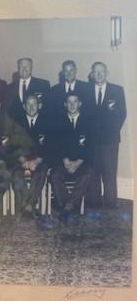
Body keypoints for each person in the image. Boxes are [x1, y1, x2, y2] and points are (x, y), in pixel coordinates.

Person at [83, 62, 127, 209]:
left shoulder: (117, 90)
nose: (99, 74)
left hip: (110, 140)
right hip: (92, 141)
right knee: (93, 172)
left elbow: (121, 114)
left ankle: (110, 203)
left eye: (101, 71)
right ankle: (94, 202)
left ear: (106, 72)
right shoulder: (86, 90)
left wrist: (110, 132)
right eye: (96, 72)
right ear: (92, 74)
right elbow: (84, 115)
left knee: (109, 172)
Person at [50, 92, 93, 223]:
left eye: (75, 102)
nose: (72, 105)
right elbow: (55, 145)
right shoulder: (58, 122)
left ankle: (68, 207)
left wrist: (77, 163)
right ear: (65, 104)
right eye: (69, 102)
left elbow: (90, 147)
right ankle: (65, 206)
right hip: (64, 163)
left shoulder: (88, 122)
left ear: (80, 104)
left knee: (88, 173)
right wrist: (66, 161)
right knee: (54, 175)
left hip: (81, 163)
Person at [18, 94, 51, 219]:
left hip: (39, 161)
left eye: (34, 104)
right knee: (16, 173)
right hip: (21, 161)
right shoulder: (17, 122)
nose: (31, 107)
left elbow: (50, 146)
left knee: (42, 171)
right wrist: (22, 160)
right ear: (24, 106)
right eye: (28, 104)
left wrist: (36, 161)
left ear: (40, 106)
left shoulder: (48, 122)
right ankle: (28, 204)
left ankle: (29, 204)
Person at [7, 57, 50, 124]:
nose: (24, 69)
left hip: (38, 125)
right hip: (17, 126)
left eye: (27, 66)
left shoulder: (43, 85)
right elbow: (8, 109)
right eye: (21, 66)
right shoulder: (9, 88)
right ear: (18, 68)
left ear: (31, 68)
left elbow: (47, 107)